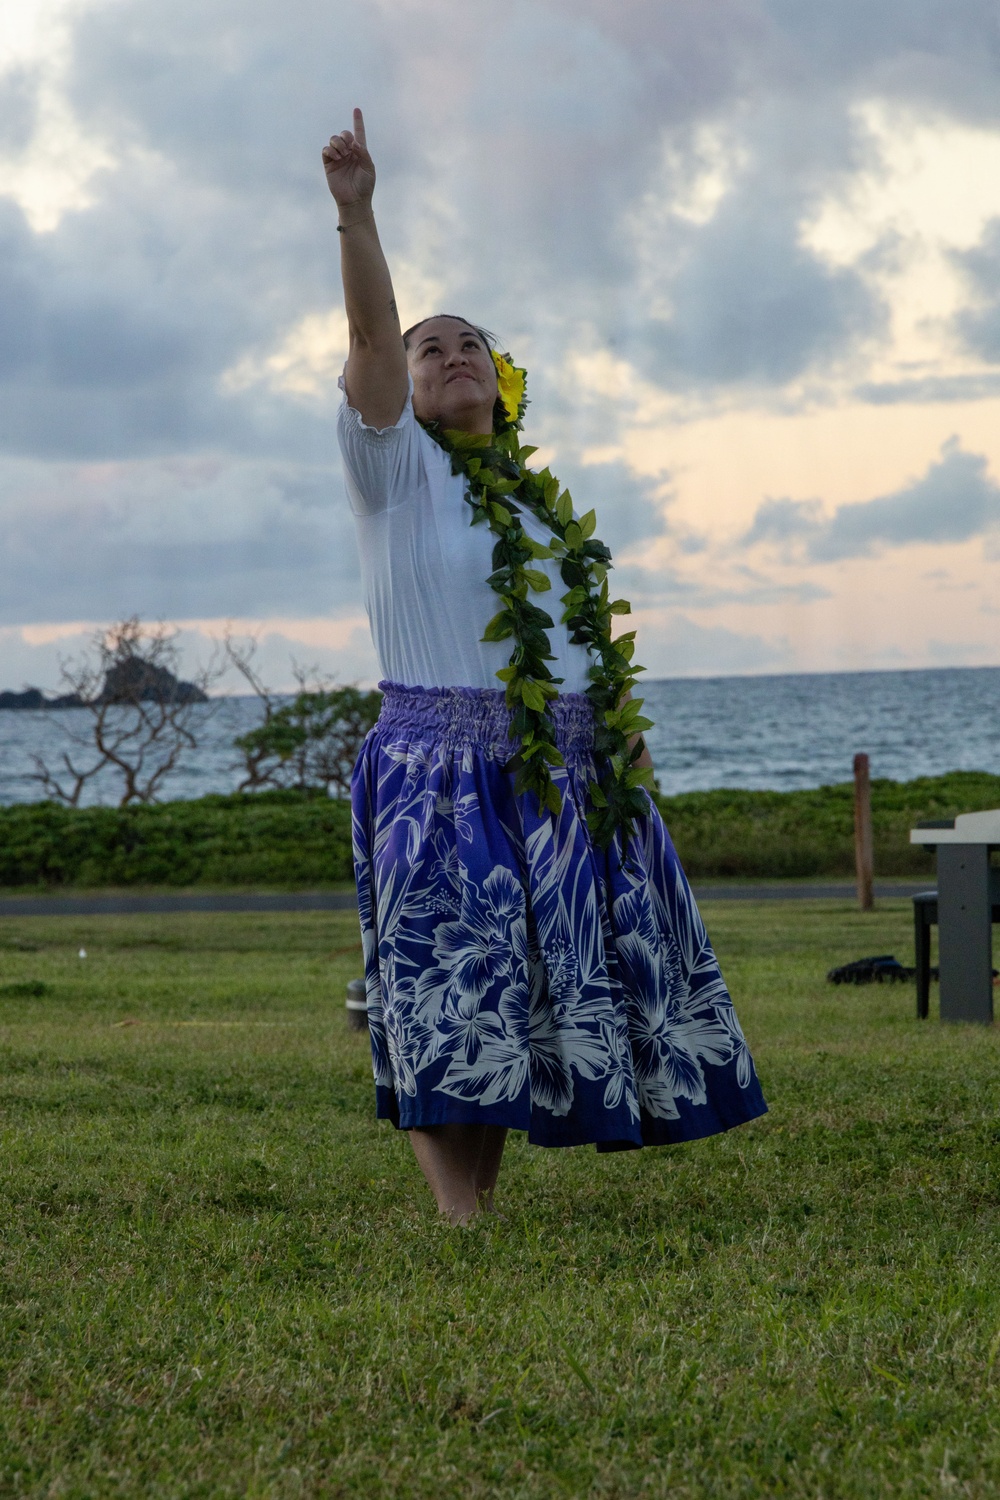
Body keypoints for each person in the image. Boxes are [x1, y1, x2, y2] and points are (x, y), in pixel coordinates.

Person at [323, 109, 767, 1225]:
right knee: (444, 986)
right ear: (407, 392)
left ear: (503, 381)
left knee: (514, 994)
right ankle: (458, 1222)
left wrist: (617, 729)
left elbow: (573, 636)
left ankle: (476, 1200)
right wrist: (357, 215)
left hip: (563, 771)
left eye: (469, 342)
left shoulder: (534, 507)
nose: (449, 354)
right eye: (433, 349)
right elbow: (370, 341)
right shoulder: (396, 477)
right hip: (438, 770)